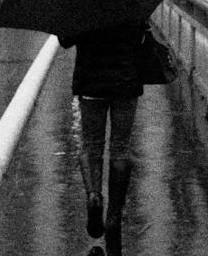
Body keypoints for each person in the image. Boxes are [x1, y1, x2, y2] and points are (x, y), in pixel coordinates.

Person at [58, 22, 144, 239]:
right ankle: (114, 216)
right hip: (125, 81)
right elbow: (139, 37)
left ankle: (94, 195)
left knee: (92, 145)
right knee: (120, 147)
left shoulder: (81, 1)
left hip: (91, 82)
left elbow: (65, 40)